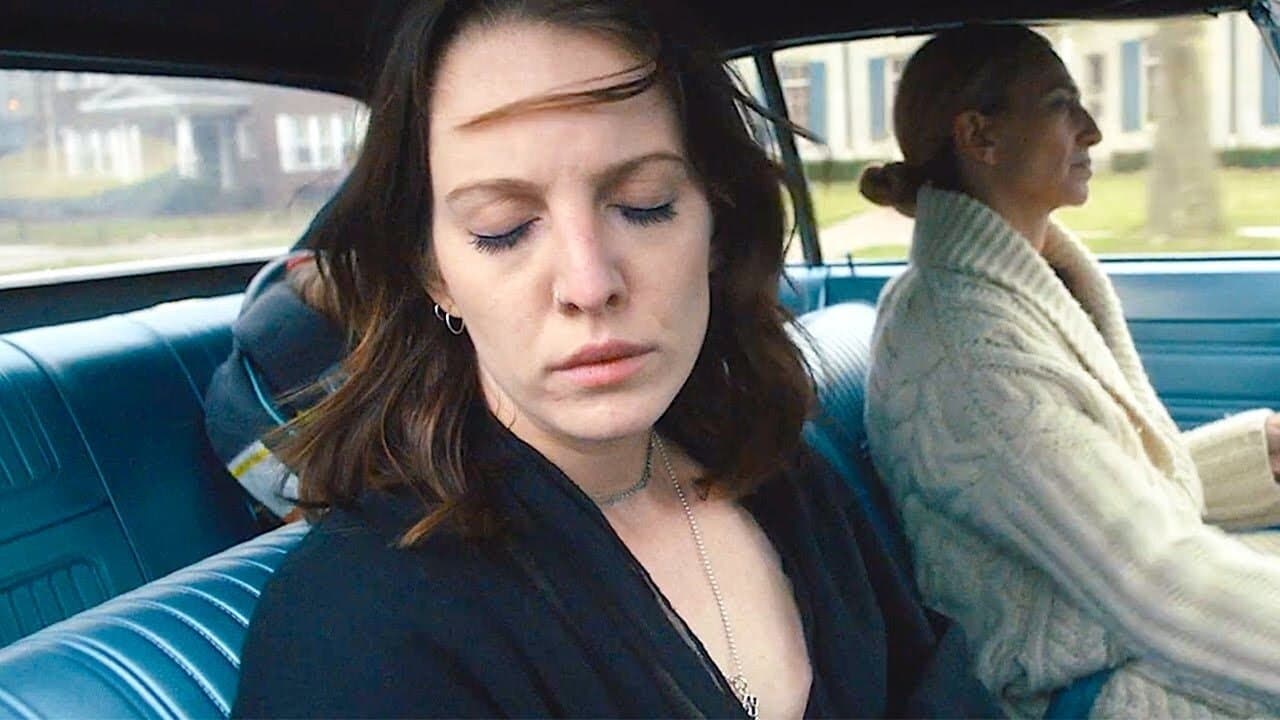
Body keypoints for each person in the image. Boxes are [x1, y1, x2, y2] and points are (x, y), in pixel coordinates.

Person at [230, 0, 1000, 717]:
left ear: (715, 225)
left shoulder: (788, 482)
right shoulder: (350, 627)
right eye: (503, 228)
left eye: (645, 204)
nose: (589, 283)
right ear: (436, 274)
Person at [862, 23, 1280, 719]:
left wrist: (1255, 460)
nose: (1092, 130)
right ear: (980, 136)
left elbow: (1079, 492)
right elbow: (1153, 580)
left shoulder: (1015, 288)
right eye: (1061, 104)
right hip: (1081, 690)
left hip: (1113, 636)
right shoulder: (966, 342)